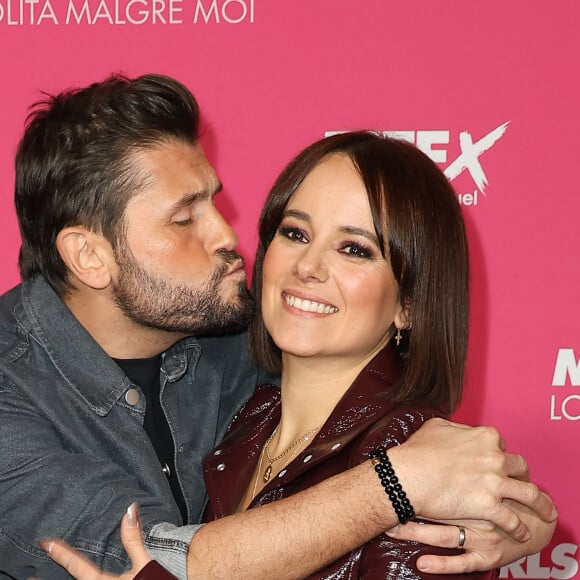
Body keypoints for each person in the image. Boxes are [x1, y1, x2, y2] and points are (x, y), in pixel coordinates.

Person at [0, 74, 555, 580]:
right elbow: (153, 561)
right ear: (88, 257)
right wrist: (399, 482)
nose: (228, 238)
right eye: (184, 218)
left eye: (354, 248)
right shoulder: (16, 388)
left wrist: (518, 516)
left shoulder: (231, 327)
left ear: (410, 301)